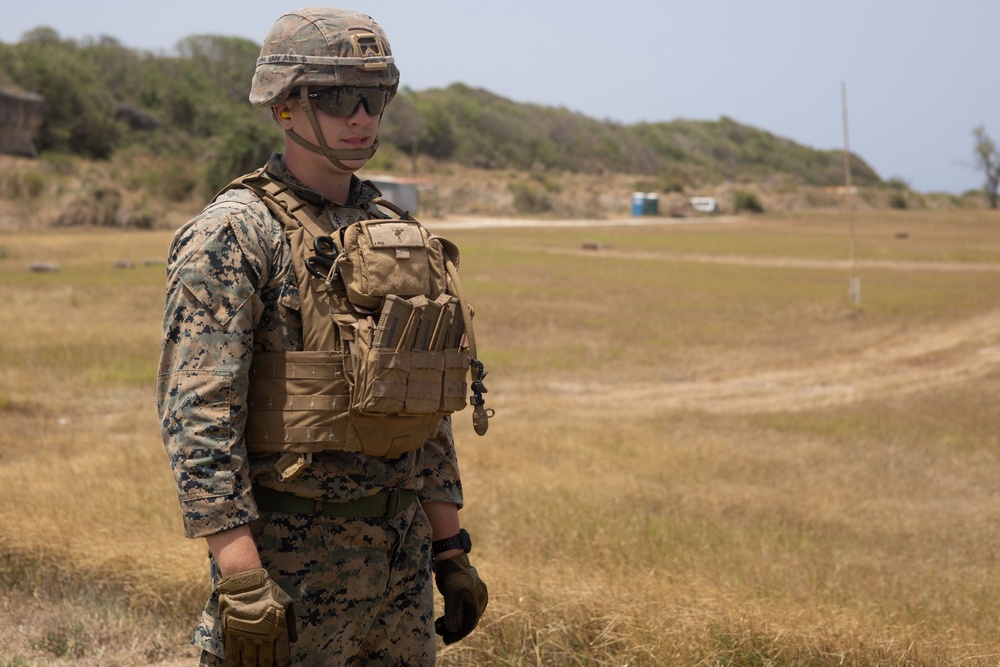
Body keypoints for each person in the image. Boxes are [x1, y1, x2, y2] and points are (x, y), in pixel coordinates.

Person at [156, 7, 489, 666]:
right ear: (283, 104)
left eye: (376, 95)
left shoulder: (397, 231)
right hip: (288, 571)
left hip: (398, 571)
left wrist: (449, 547)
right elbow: (198, 416)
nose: (362, 115)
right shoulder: (236, 233)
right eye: (338, 96)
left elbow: (422, 402)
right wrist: (241, 577)